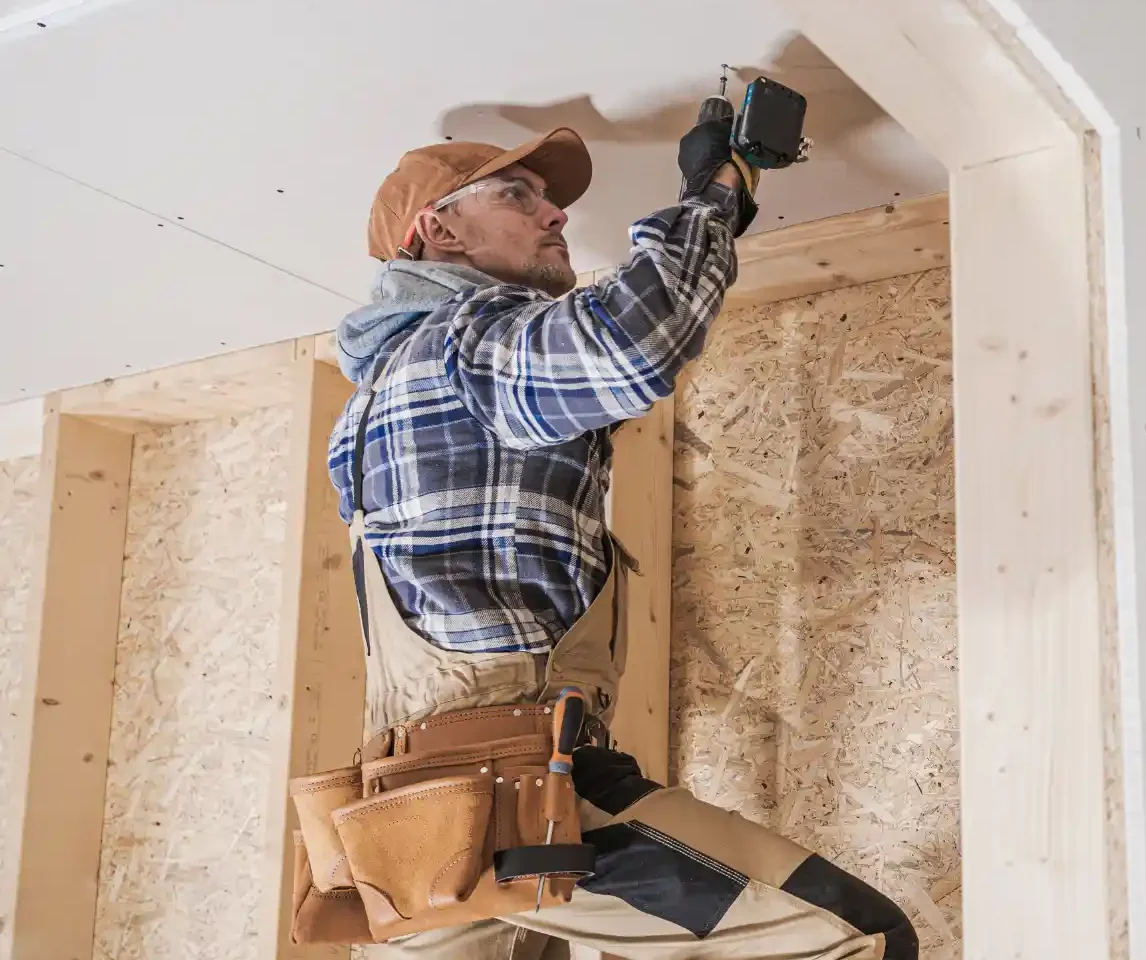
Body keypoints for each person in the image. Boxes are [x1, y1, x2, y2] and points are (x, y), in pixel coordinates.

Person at [329, 121, 918, 959]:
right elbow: (629, 342)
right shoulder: (462, 346)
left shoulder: (371, 402)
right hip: (518, 791)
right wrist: (715, 197)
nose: (556, 215)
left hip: (416, 830)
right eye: (518, 196)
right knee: (851, 942)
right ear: (438, 231)